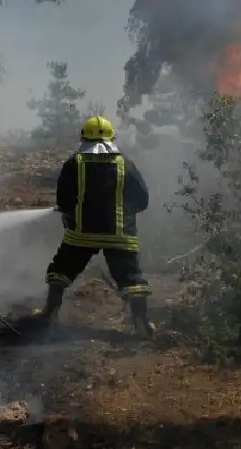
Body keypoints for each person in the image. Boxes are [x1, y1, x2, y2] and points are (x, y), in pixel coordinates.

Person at [34, 115, 155, 336]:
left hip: (82, 234)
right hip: (120, 233)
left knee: (61, 269)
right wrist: (126, 213)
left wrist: (69, 213)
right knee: (131, 277)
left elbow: (63, 199)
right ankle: (142, 323)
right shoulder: (126, 164)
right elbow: (142, 199)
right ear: (111, 138)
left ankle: (50, 312)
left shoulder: (74, 163)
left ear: (83, 138)